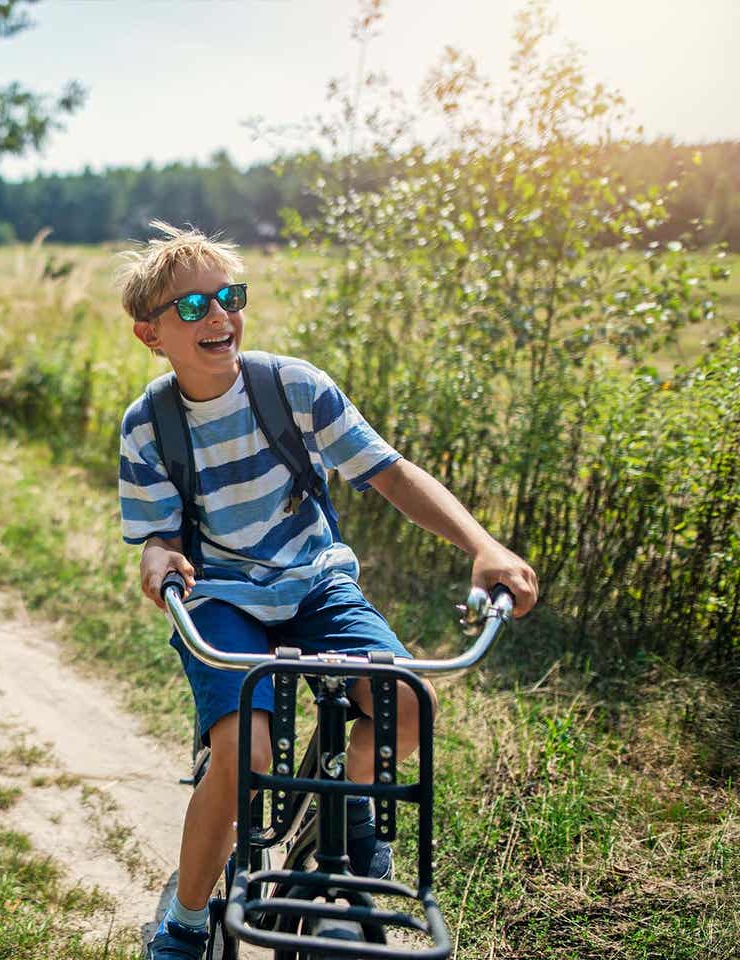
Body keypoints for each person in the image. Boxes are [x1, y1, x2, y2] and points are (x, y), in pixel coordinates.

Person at [116, 222, 539, 960]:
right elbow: (161, 540)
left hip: (316, 583)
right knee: (244, 749)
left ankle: (349, 821)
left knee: (410, 707)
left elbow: (390, 472)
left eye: (229, 297)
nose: (218, 317)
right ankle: (184, 920)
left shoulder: (294, 387)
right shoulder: (148, 426)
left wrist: (484, 545)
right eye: (193, 308)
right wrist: (157, 565)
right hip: (224, 595)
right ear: (150, 334)